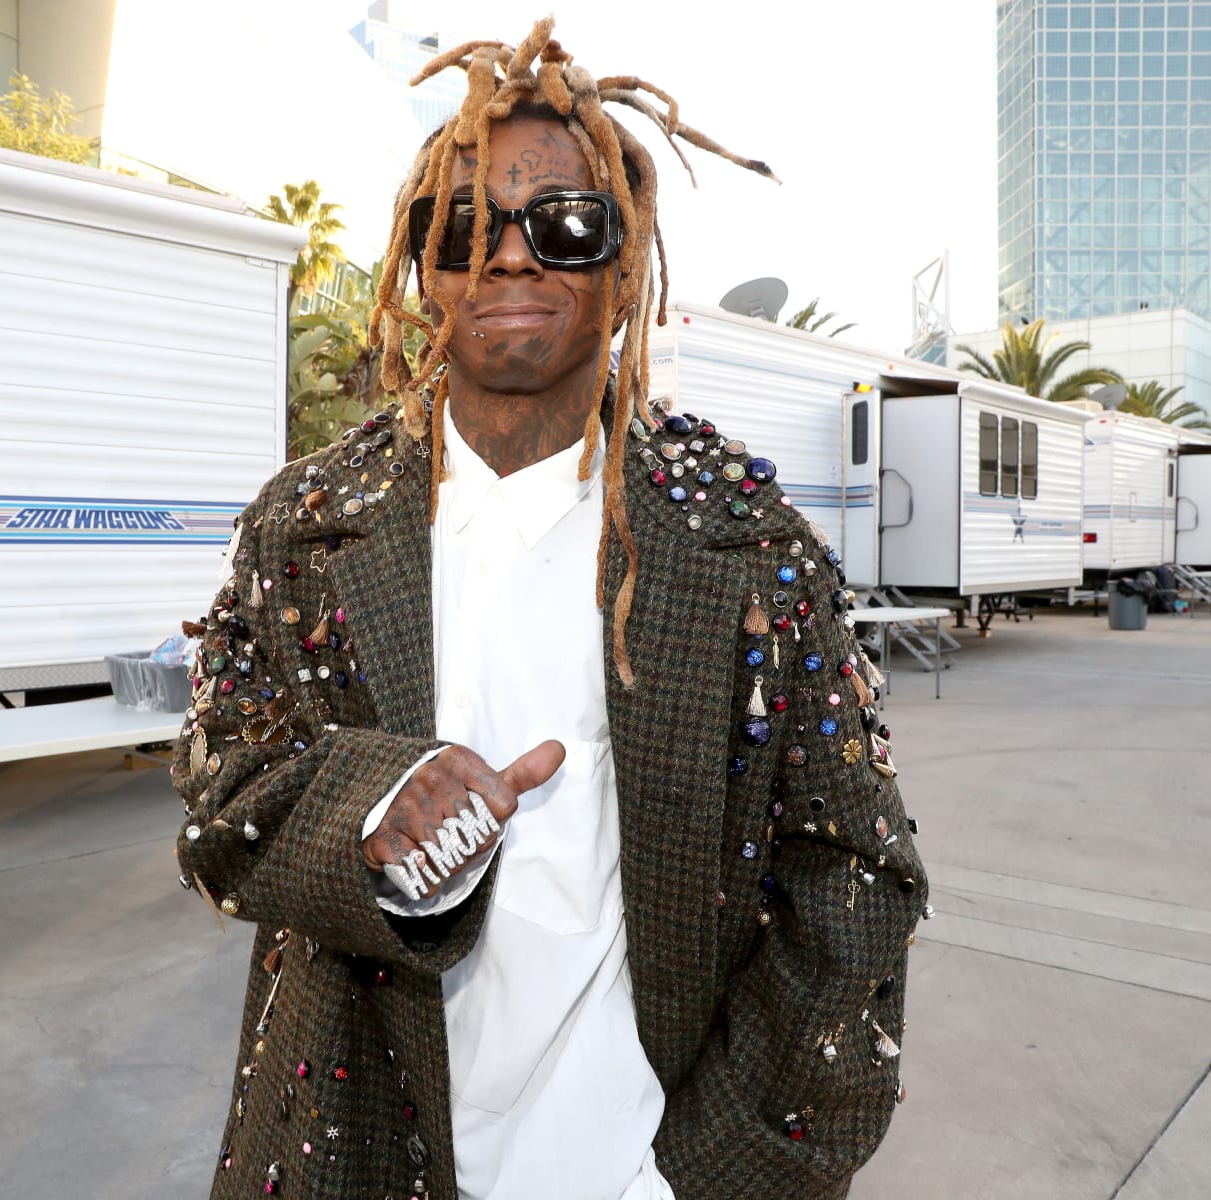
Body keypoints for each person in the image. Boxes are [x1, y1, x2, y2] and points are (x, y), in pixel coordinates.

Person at [173, 19, 927, 1200]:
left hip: (639, 1170)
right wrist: (369, 810)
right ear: (422, 268)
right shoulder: (307, 525)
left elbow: (856, 874)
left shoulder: (744, 540)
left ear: (623, 270)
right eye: (465, 227)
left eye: (567, 226)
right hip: (353, 1150)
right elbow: (221, 784)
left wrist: (711, 1174)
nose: (512, 258)